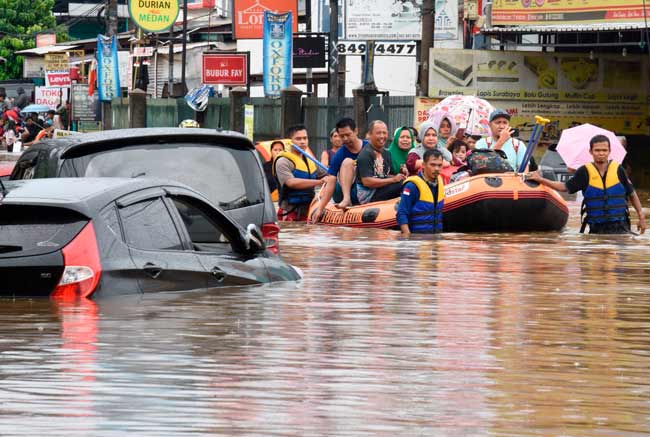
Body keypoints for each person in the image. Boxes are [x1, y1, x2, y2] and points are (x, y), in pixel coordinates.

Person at [527, 134, 646, 235]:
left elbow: (632, 193)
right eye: (597, 150)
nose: (601, 153)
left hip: (621, 226)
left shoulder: (619, 170)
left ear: (609, 151)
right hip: (597, 227)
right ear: (591, 151)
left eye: (604, 150)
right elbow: (564, 187)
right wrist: (541, 179)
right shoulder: (584, 172)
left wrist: (641, 216)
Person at [310, 118, 368, 220]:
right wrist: (320, 209)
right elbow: (331, 180)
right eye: (342, 136)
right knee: (347, 162)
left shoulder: (369, 147)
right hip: (344, 191)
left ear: (356, 131)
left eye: (348, 135)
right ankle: (346, 199)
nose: (345, 139)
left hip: (365, 188)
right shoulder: (340, 154)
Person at [273, 124, 328, 221]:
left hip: (309, 210)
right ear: (290, 141)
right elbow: (291, 183)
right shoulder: (282, 161)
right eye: (298, 139)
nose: (303, 142)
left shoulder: (310, 160)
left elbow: (326, 175)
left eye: (305, 138)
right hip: (289, 211)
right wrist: (319, 182)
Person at [355, 120, 406, 204]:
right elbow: (367, 181)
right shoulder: (365, 154)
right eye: (378, 133)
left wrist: (401, 174)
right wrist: (393, 180)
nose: (382, 136)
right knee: (401, 185)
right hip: (369, 195)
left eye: (384, 133)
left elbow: (387, 174)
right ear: (369, 134)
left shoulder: (386, 153)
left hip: (381, 189)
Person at [397, 149, 445, 236]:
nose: (437, 168)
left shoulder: (440, 182)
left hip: (435, 238)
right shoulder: (412, 186)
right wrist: (408, 237)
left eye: (439, 165)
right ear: (423, 165)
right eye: (433, 165)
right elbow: (402, 213)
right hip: (416, 240)